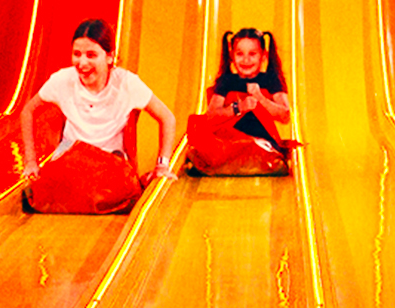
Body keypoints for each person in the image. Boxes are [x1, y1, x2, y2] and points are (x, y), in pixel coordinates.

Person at [20, 18, 177, 213]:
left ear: (110, 57)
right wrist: (30, 161)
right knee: (40, 194)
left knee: (119, 189)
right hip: (73, 157)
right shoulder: (62, 80)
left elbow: (167, 117)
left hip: (109, 160)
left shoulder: (126, 84)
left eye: (91, 55)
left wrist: (163, 165)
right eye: (77, 54)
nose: (82, 63)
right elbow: (28, 111)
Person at [186, 28, 294, 176]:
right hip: (230, 138)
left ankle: (252, 161)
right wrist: (238, 107)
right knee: (207, 142)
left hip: (260, 139)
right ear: (232, 56)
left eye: (252, 54)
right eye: (240, 54)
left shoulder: (270, 80)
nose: (246, 60)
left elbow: (285, 115)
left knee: (257, 147)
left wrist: (261, 99)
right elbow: (211, 117)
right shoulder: (227, 81)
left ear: (263, 56)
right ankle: (231, 162)